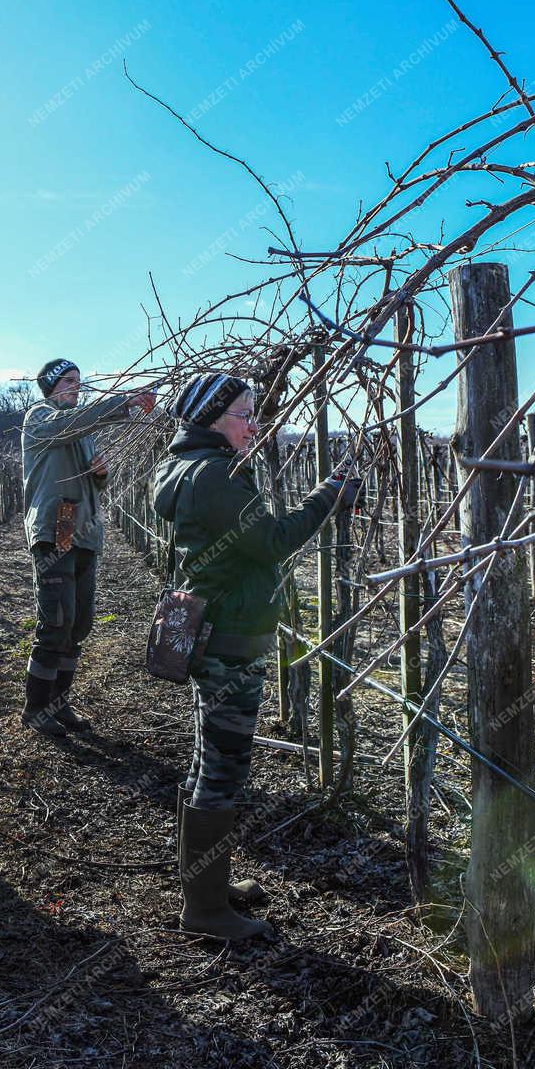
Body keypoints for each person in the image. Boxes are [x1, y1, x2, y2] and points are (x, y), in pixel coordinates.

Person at [153, 372, 359, 941]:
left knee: (207, 758)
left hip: (212, 630)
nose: (255, 423)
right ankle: (206, 912)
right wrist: (328, 495)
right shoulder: (215, 475)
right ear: (213, 419)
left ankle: (206, 886)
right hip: (230, 640)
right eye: (244, 413)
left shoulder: (186, 468)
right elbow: (269, 540)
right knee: (222, 767)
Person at [21, 358, 155, 736]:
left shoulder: (82, 430)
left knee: (79, 623)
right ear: (50, 385)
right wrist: (123, 403)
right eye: (68, 381)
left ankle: (60, 704)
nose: (76, 387)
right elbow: (66, 427)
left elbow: (92, 486)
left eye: (78, 381)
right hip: (54, 531)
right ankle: (36, 708)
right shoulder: (41, 417)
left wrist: (101, 474)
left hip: (83, 533)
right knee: (56, 621)